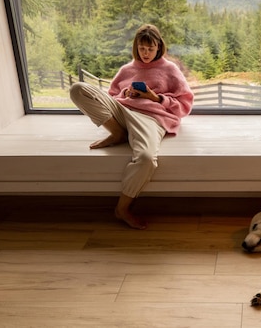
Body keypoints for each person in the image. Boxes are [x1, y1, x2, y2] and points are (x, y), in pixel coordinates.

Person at [70, 24, 194, 229]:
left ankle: (122, 209)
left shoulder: (170, 69)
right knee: (78, 89)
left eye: (150, 49)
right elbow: (110, 98)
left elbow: (185, 104)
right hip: (121, 111)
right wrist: (126, 94)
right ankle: (117, 132)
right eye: (141, 48)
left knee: (146, 159)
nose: (145, 54)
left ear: (159, 47)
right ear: (136, 47)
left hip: (150, 117)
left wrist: (155, 97)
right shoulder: (126, 69)